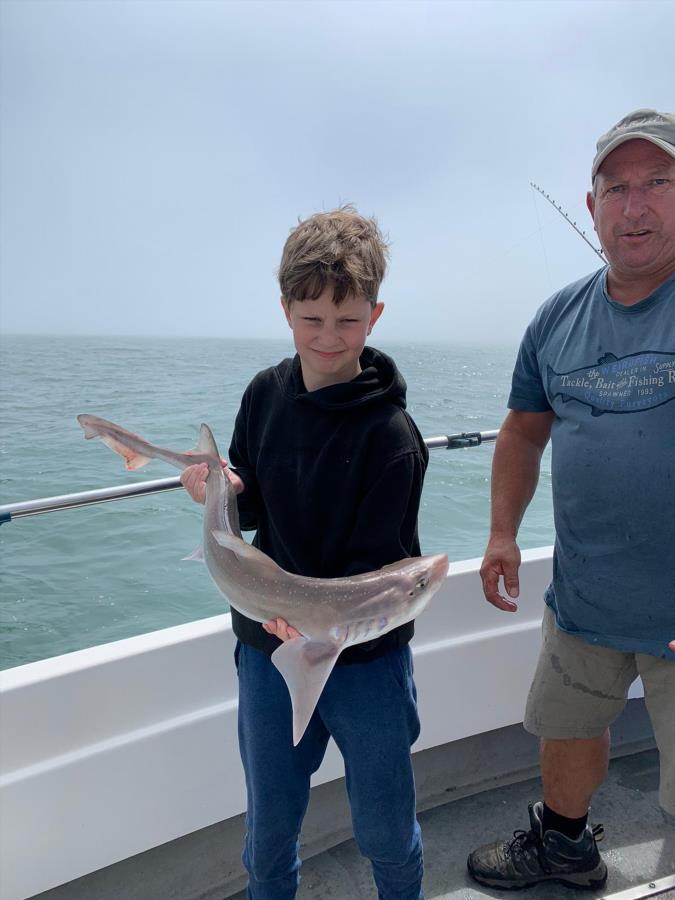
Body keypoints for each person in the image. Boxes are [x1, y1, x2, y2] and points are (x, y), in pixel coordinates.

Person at [181, 206, 429, 899]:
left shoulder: (391, 437)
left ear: (374, 317)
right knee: (268, 833)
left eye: (346, 320)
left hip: (366, 663)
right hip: (267, 647)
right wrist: (217, 489)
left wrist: (319, 621)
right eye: (311, 318)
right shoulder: (263, 394)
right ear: (286, 310)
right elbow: (250, 508)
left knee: (385, 830)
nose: (328, 337)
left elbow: (378, 569)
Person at [467, 109, 675, 890]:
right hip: (584, 600)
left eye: (658, 181)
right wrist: (499, 534)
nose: (635, 205)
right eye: (615, 187)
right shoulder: (554, 319)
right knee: (564, 732)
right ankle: (562, 844)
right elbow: (522, 432)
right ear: (589, 206)